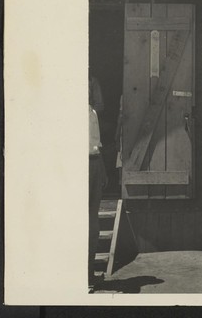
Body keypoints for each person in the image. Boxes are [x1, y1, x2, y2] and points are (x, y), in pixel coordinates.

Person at [89, 98, 107, 293]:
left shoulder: (92, 112)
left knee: (92, 221)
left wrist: (101, 168)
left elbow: (96, 144)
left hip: (94, 163)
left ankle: (89, 273)